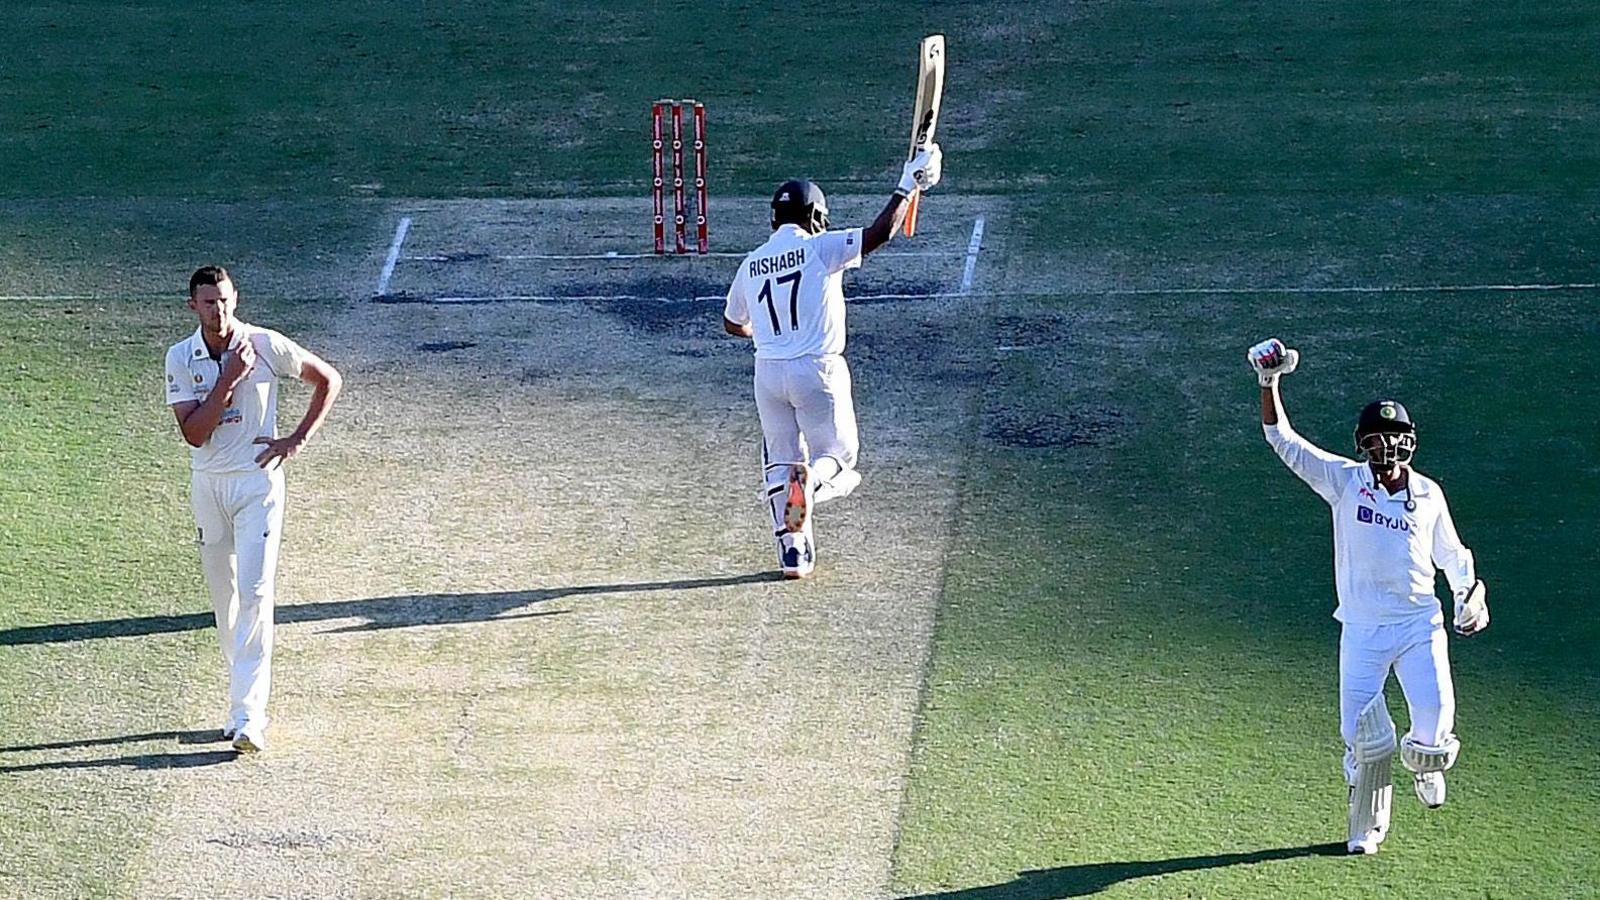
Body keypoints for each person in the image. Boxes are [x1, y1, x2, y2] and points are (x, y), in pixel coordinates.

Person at [1248, 338, 1488, 854]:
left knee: (1436, 720)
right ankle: (1368, 821)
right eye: (1378, 439)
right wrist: (1270, 384)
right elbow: (1283, 440)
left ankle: (1424, 767)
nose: (1387, 449)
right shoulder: (1345, 482)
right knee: (1360, 737)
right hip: (1361, 629)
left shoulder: (1428, 494)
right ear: (1363, 444)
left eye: (1396, 438)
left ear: (1410, 443)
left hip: (1419, 625)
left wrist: (1468, 594)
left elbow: (1452, 553)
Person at [722, 143, 943, 578]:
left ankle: (793, 551)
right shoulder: (821, 248)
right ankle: (809, 487)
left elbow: (732, 323)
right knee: (839, 458)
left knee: (779, 459)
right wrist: (908, 184)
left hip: (768, 374)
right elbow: (879, 234)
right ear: (815, 218)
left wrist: (762, 334)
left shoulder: (750, 264)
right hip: (817, 370)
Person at [164, 265, 342, 753]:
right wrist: (228, 380)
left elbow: (328, 379)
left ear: (234, 299)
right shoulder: (180, 358)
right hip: (209, 487)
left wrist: (297, 439)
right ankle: (239, 699)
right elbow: (194, 434)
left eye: (224, 300)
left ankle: (248, 717)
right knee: (226, 602)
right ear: (192, 307)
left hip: (257, 485)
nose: (218, 310)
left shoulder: (266, 344)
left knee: (256, 592)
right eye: (207, 302)